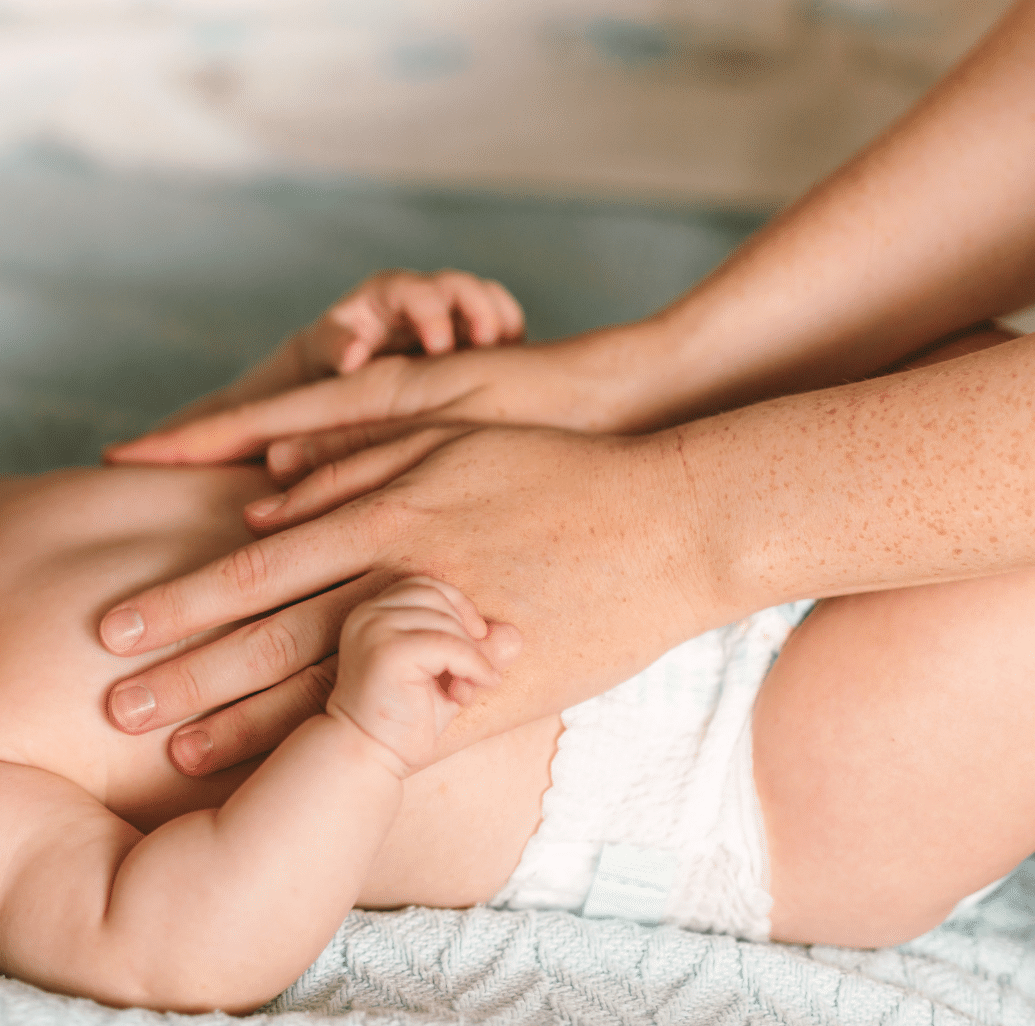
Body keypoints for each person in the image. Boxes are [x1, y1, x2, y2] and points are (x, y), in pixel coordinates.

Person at [0, 296, 1035, 1014]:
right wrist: (358, 745)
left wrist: (321, 362)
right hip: (726, 772)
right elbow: (177, 945)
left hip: (657, 524)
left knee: (965, 367)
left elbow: (207, 473)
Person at [96, 0, 1035, 782]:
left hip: (681, 711)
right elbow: (166, 948)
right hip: (726, 765)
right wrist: (658, 375)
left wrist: (672, 519)